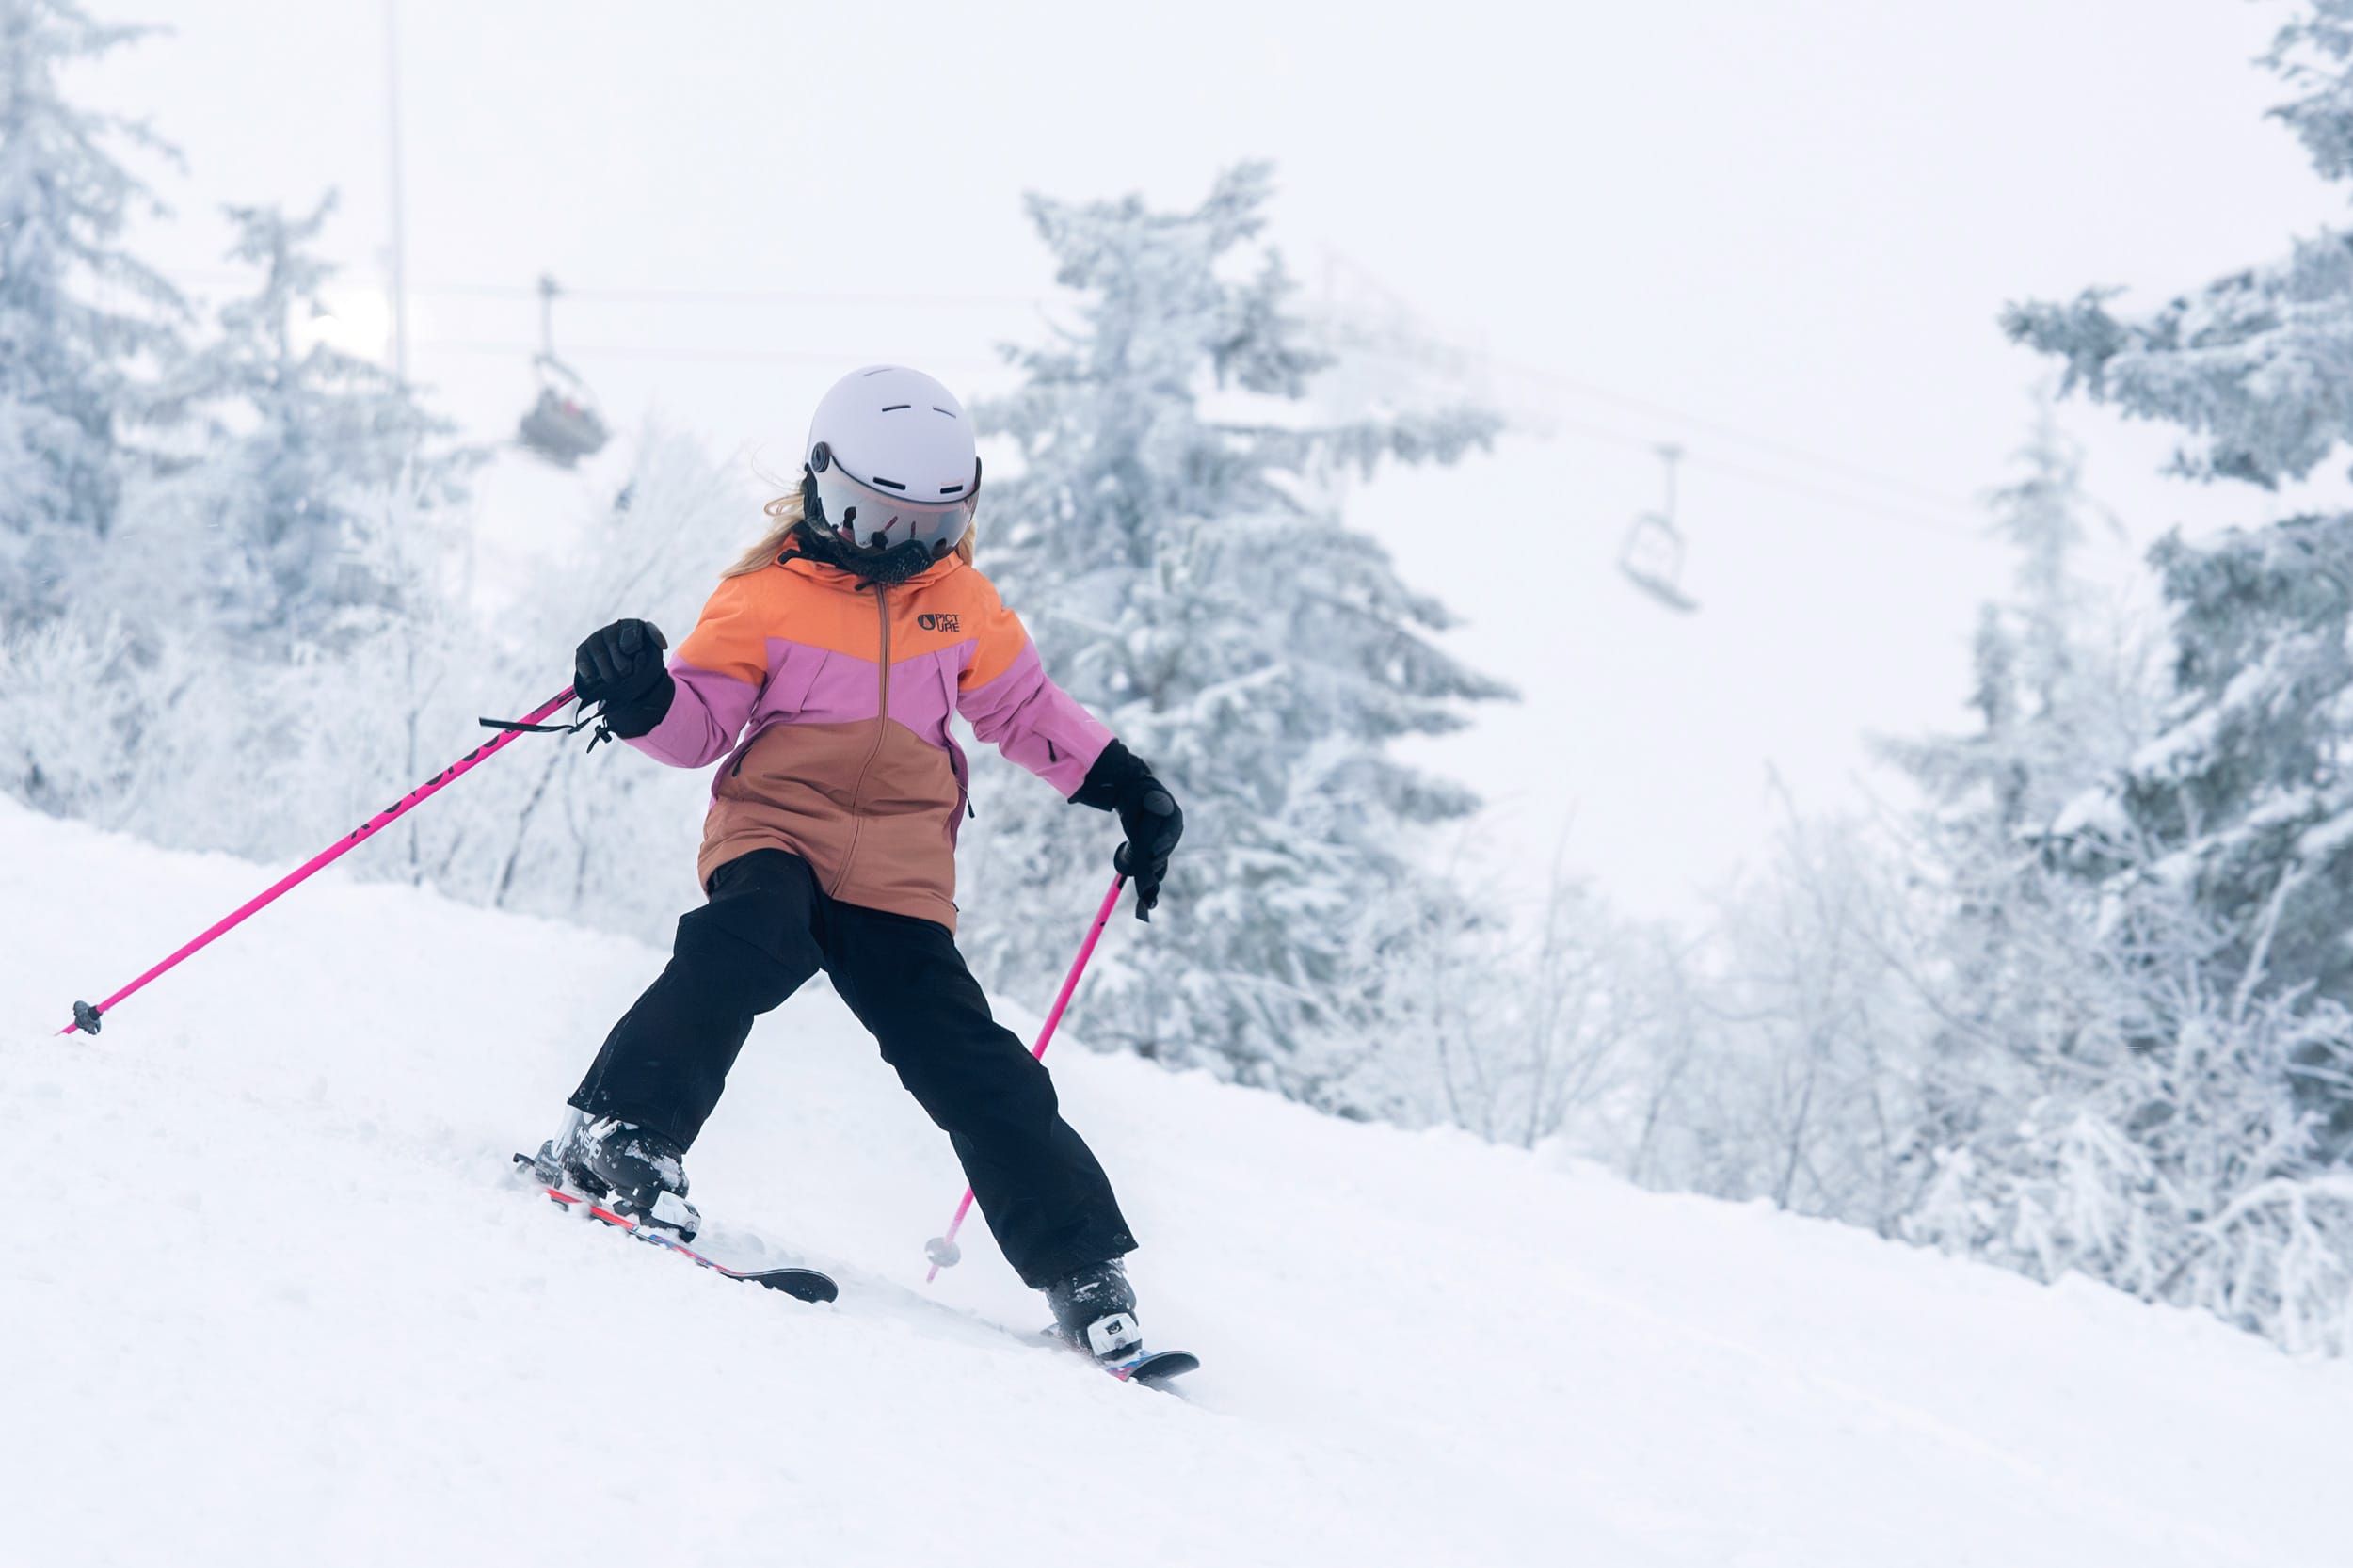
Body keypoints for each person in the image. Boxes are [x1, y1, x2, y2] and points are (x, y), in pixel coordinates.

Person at [546, 364, 1184, 1364]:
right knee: (743, 944)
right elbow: (701, 726)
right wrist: (638, 697)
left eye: (928, 529)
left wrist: (1124, 785)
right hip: (779, 828)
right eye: (872, 519)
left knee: (966, 1056)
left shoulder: (961, 603)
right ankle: (615, 1134)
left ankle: (1081, 1265)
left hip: (898, 869)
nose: (901, 550)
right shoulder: (761, 599)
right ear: (819, 486)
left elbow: (1023, 713)